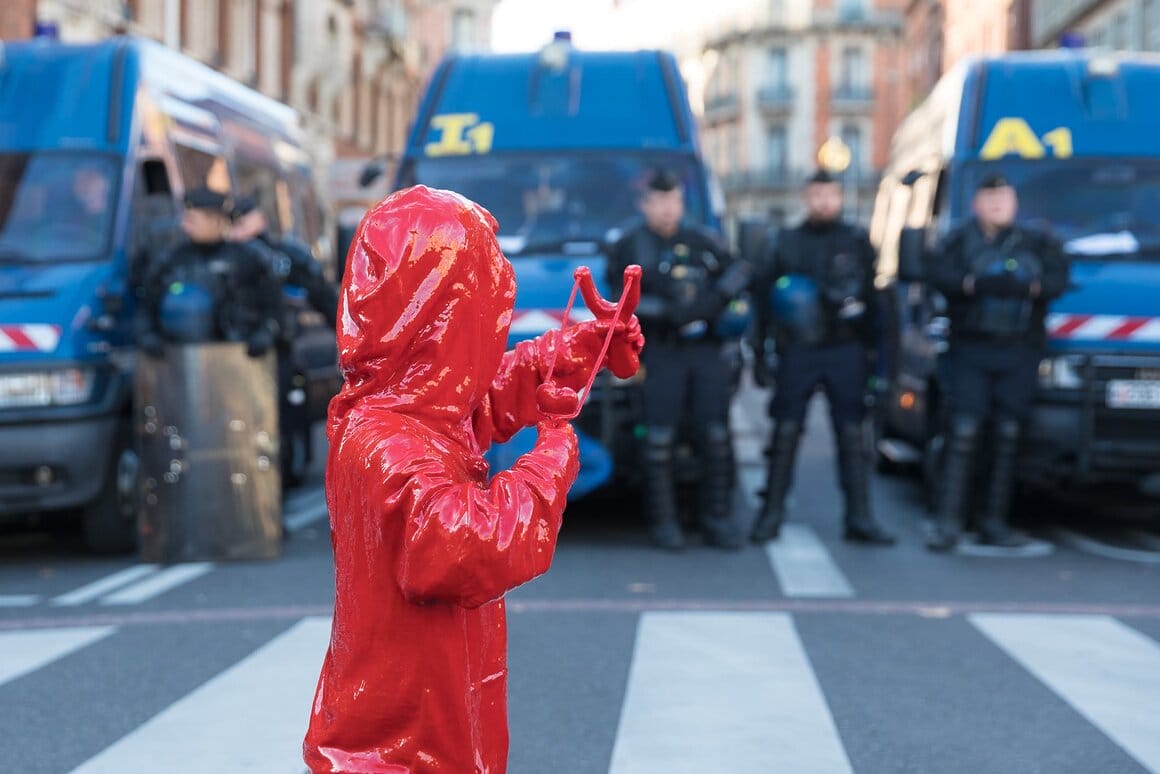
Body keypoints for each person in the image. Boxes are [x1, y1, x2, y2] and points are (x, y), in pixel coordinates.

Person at [303, 185, 643, 772]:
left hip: (419, 723)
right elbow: (466, 548)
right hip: (403, 745)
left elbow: (477, 401)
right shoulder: (390, 443)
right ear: (448, 315)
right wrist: (553, 453)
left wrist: (577, 350)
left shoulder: (400, 407)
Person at [749, 169, 895, 546]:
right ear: (806, 198)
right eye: (817, 195)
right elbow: (763, 301)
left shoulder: (857, 241)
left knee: (852, 434)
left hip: (845, 349)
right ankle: (771, 515)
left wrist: (878, 358)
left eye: (830, 195)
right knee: (785, 431)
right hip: (798, 349)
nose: (824, 202)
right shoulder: (786, 242)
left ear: (840, 198)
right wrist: (761, 351)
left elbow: (876, 304)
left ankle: (860, 518)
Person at [604, 168, 748, 551]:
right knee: (659, 440)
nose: (668, 210)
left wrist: (714, 302)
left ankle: (716, 519)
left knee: (715, 436)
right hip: (661, 350)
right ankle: (664, 523)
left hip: (704, 348)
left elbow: (738, 270)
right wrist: (665, 312)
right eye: (660, 202)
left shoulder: (702, 239)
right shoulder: (631, 245)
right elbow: (617, 298)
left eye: (675, 202)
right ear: (646, 204)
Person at [924, 174, 1069, 552]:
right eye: (989, 199)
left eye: (1003, 198)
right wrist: (973, 285)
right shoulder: (958, 239)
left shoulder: (1036, 240)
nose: (997, 205)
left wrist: (1030, 286)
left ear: (1014, 203)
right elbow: (937, 275)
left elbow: (1058, 279)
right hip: (971, 348)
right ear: (977, 204)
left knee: (1007, 436)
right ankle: (949, 522)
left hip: (1018, 350)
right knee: (964, 431)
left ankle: (993, 521)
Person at [137, 187, 282, 358]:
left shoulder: (248, 259)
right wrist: (148, 337)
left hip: (239, 361)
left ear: (215, 220)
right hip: (184, 361)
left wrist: (265, 333)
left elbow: (275, 306)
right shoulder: (172, 260)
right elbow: (146, 306)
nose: (184, 226)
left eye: (192, 220)